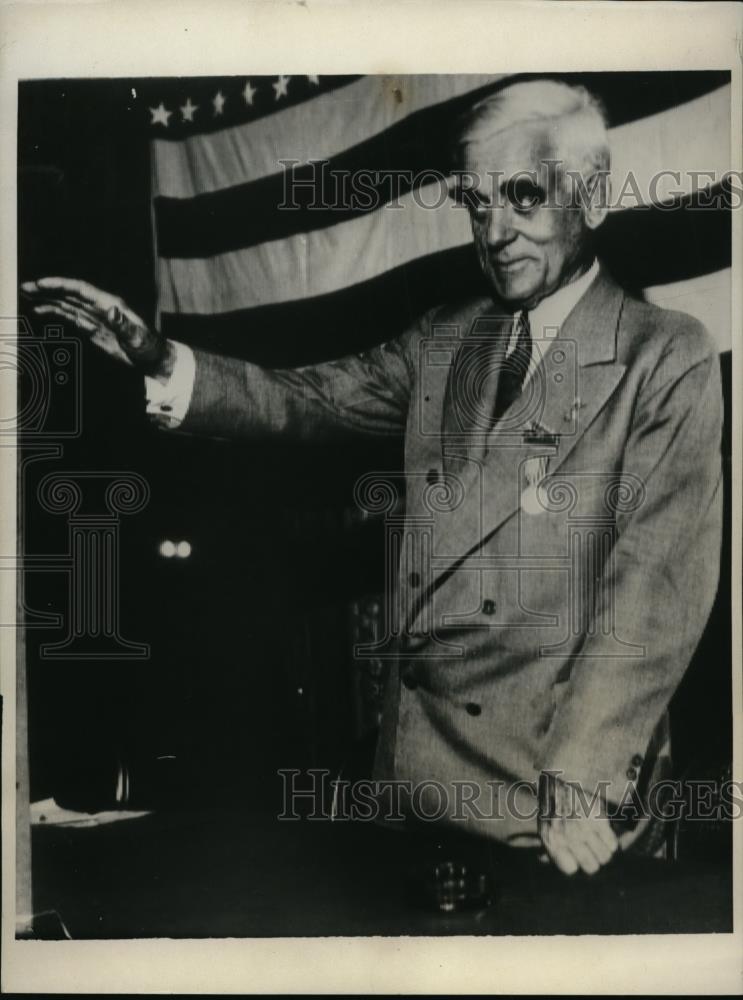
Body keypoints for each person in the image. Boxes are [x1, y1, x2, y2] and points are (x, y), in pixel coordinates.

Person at [22, 78, 723, 877]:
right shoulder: (445, 339)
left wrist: (582, 777)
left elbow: (656, 585)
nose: (494, 232)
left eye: (522, 197)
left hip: (557, 804)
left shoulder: (663, 355)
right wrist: (155, 357)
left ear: (591, 197)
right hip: (415, 789)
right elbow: (304, 399)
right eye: (476, 202)